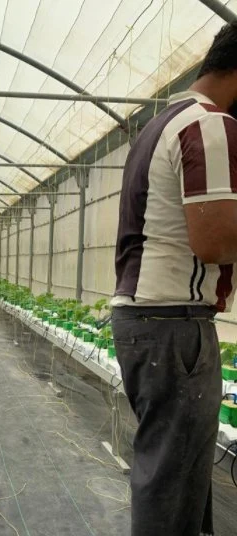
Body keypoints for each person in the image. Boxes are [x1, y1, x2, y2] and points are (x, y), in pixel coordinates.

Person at [112, 22, 237, 536]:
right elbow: (213, 241)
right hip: (173, 326)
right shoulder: (208, 124)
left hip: (153, 323)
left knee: (176, 477)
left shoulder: (164, 121)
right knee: (171, 485)